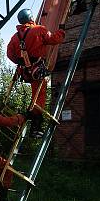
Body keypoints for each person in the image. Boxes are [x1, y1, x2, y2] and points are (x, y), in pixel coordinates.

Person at [6, 8, 65, 137]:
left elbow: (9, 54)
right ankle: (35, 126)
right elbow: (54, 39)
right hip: (36, 70)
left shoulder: (15, 37)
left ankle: (32, 119)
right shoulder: (39, 30)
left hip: (25, 72)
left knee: (36, 95)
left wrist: (21, 61)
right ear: (31, 18)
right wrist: (61, 30)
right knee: (40, 95)